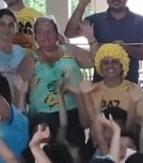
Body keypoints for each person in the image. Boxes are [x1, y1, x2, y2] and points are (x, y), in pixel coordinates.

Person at [65, 0, 143, 84]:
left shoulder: (139, 21)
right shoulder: (95, 20)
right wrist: (81, 5)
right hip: (99, 87)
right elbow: (69, 33)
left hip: (129, 87)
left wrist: (127, 48)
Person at [28, 17, 95, 148]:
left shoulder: (70, 50)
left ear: (57, 34)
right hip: (41, 117)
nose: (46, 36)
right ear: (35, 37)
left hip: (73, 112)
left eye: (50, 31)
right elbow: (19, 86)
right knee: (44, 154)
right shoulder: (29, 58)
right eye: (40, 32)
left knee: (74, 154)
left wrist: (91, 40)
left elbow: (94, 61)